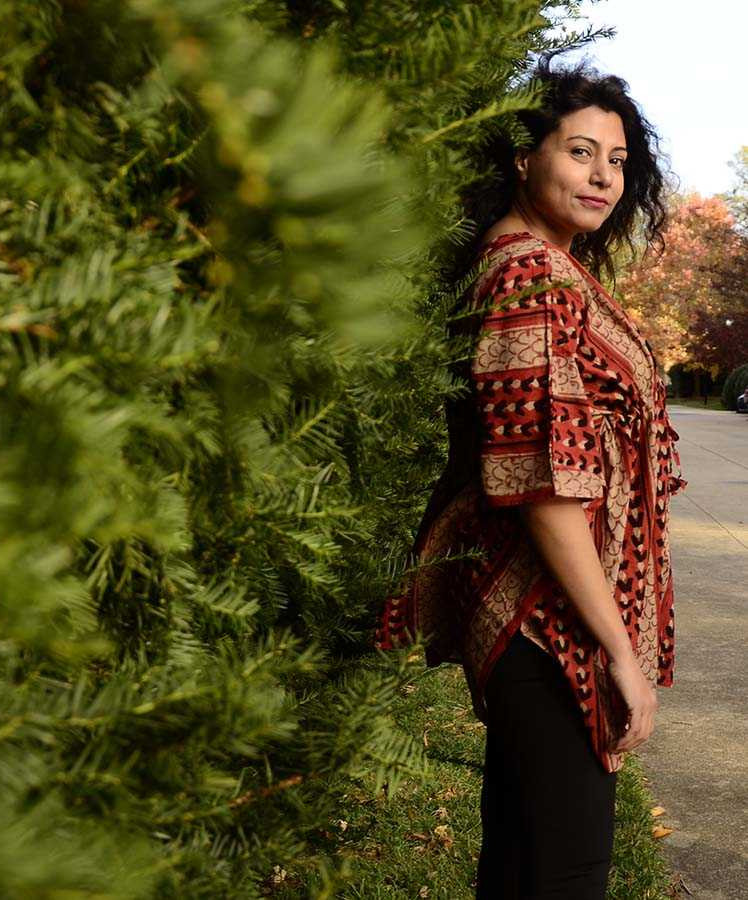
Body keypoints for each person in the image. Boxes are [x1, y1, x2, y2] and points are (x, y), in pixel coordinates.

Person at [374, 53, 688, 899]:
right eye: (580, 152)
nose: (604, 177)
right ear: (523, 158)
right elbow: (544, 484)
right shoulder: (528, 273)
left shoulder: (547, 264)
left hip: (547, 616)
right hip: (547, 621)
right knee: (565, 871)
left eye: (617, 160)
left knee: (523, 863)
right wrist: (618, 652)